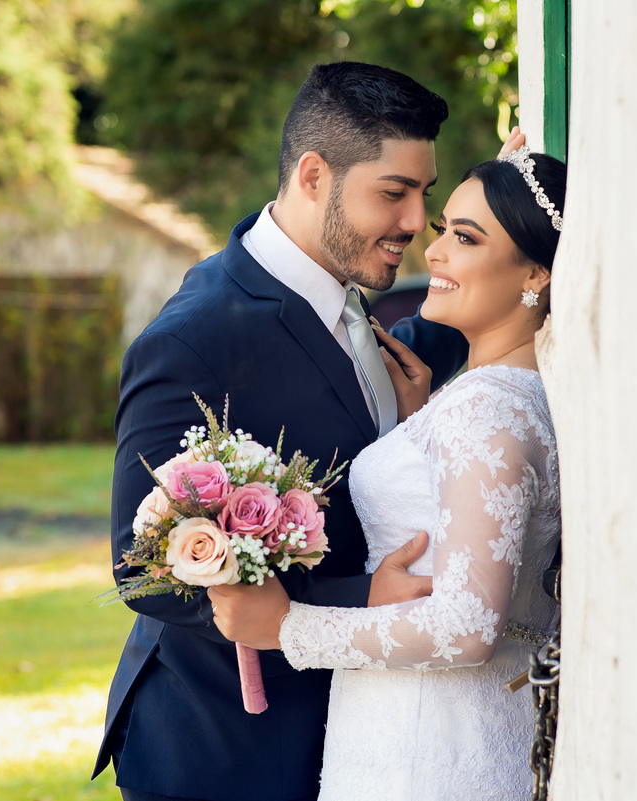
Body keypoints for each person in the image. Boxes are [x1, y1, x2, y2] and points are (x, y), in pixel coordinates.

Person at [92, 62, 473, 801]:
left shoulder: (348, 290)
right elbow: (142, 567)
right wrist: (364, 595)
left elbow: (390, 368)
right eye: (393, 193)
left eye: (424, 194)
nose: (412, 222)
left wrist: (512, 219)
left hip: (347, 734)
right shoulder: (198, 337)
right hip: (222, 749)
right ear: (313, 176)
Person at [210, 145, 566, 800]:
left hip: (425, 751)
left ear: (536, 273)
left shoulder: (486, 412)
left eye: (465, 237)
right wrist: (416, 423)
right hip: (443, 731)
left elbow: (466, 625)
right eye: (442, 232)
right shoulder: (508, 398)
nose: (433, 253)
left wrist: (287, 626)